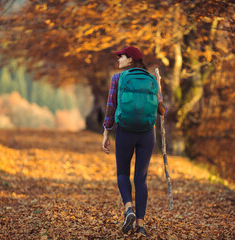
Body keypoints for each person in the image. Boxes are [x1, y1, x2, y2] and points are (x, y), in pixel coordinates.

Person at [102, 46, 165, 236]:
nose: (118, 60)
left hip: (125, 132)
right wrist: (159, 87)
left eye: (121, 57)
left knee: (122, 172)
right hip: (147, 133)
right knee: (141, 178)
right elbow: (162, 111)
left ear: (131, 60)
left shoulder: (117, 78)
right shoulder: (151, 79)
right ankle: (141, 225)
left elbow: (111, 105)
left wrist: (106, 131)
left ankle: (129, 208)